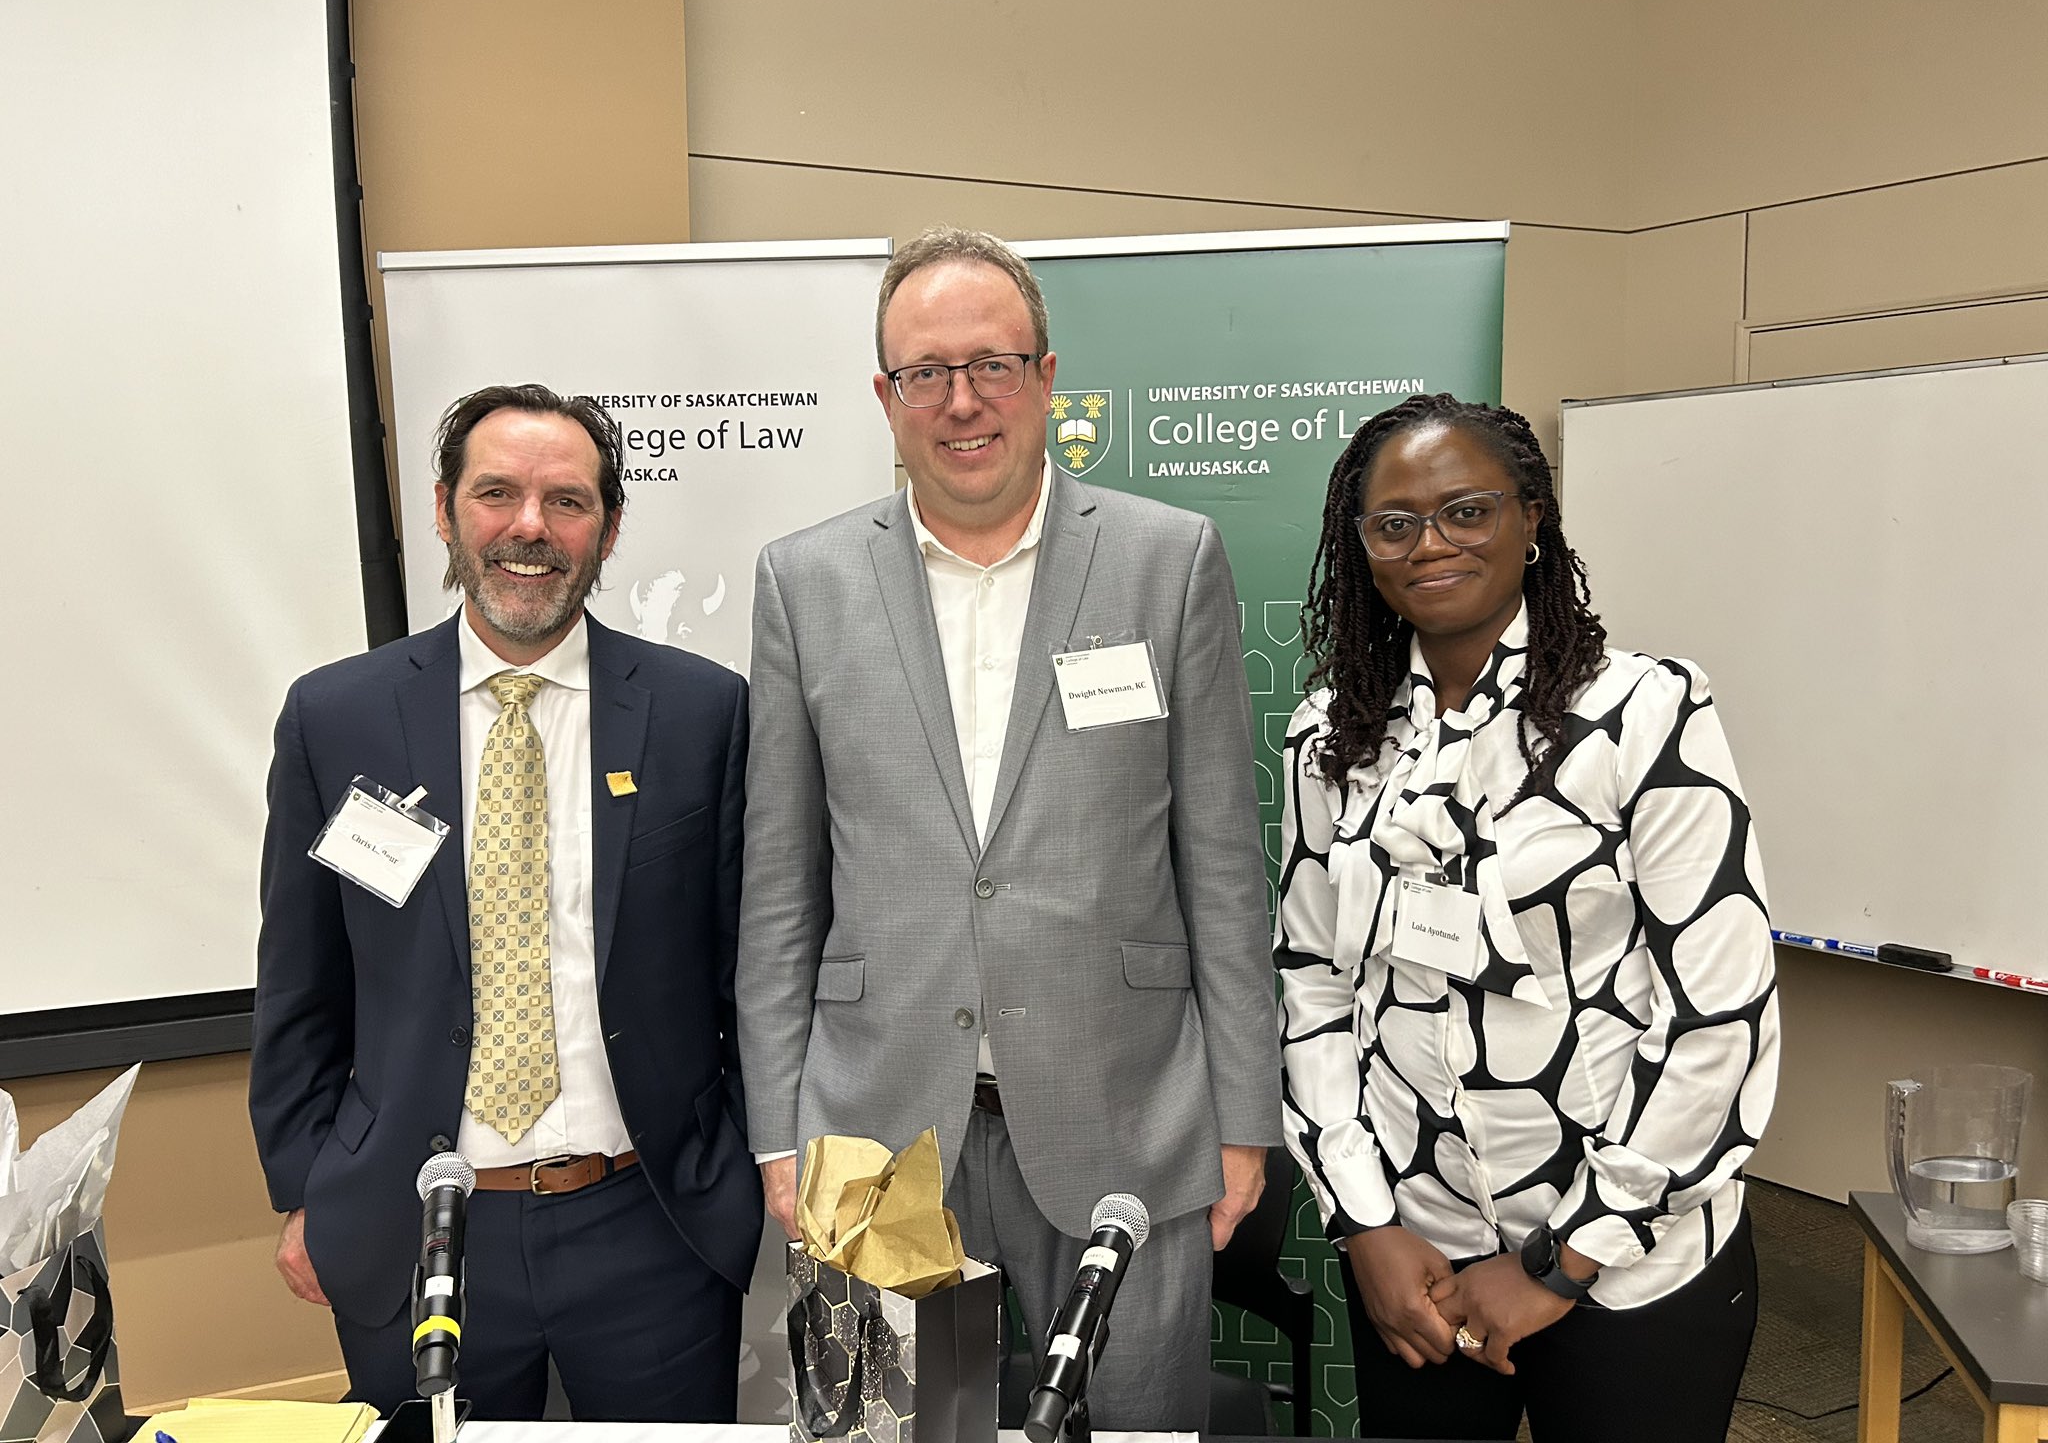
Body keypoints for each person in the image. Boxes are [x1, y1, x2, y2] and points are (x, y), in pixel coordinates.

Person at [736, 226, 1280, 1431]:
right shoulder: (801, 583)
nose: (961, 400)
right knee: (888, 1431)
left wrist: (1244, 1118)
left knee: (1133, 1425)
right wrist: (780, 1134)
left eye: (991, 364)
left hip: (1129, 1113)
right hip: (872, 1135)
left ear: (1045, 377)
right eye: (925, 372)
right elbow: (779, 891)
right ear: (885, 396)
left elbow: (1221, 869)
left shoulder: (1166, 559)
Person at [1274, 393, 1779, 1443]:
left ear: (1531, 519)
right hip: (1420, 1260)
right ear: (1361, 546)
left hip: (1629, 1262)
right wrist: (1364, 1223)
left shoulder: (1643, 713)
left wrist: (1561, 1261)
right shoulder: (1332, 737)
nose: (1430, 544)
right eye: (1394, 523)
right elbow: (1311, 982)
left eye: (1467, 511)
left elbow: (1716, 1018)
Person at [249, 384, 759, 1421]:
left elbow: (750, 972)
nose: (531, 526)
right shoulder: (337, 717)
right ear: (445, 511)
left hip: (649, 1224)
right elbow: (300, 982)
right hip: (416, 1226)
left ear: (608, 528)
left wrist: (741, 1169)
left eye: (567, 501)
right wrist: (309, 1187)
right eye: (497, 494)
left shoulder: (701, 712)